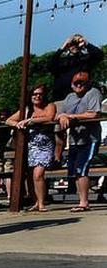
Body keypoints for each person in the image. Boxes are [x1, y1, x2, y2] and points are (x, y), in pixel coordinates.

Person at [6, 85, 57, 213]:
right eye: (34, 94)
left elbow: (49, 117)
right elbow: (8, 120)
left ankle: (41, 203)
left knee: (38, 174)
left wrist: (30, 120)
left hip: (45, 145)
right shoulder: (27, 109)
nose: (37, 96)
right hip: (31, 146)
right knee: (31, 176)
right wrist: (18, 123)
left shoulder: (49, 106)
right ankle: (35, 201)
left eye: (40, 94)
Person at [56, 71, 102, 213]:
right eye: (76, 82)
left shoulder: (93, 93)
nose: (79, 85)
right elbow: (60, 114)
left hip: (90, 139)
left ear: (88, 83)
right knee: (76, 170)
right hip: (74, 140)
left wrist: (70, 116)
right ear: (71, 84)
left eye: (82, 82)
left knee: (82, 169)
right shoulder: (69, 97)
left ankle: (84, 202)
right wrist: (62, 116)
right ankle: (81, 200)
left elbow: (94, 113)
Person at [47, 33, 103, 103]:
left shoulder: (85, 59)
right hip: (60, 98)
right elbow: (49, 66)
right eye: (72, 44)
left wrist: (86, 43)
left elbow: (99, 55)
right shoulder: (62, 61)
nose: (74, 46)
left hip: (80, 98)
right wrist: (62, 48)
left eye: (76, 44)